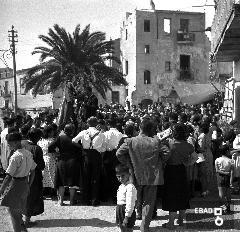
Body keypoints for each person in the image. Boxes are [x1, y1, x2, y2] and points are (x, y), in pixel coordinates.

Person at [116, 119, 170, 232]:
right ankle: (144, 227)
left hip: (135, 173)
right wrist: (160, 161)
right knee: (149, 202)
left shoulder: (130, 141)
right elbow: (167, 153)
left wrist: (129, 164)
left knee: (133, 200)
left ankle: (130, 224)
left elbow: (119, 153)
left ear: (140, 128)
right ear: (151, 130)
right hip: (152, 175)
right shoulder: (156, 141)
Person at [0, 132, 36, 232]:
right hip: (25, 184)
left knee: (13, 213)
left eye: (9, 143)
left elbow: (8, 176)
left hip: (16, 184)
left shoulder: (16, 156)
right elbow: (33, 171)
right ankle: (23, 230)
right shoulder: (28, 153)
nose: (8, 145)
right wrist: (29, 184)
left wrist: (1, 189)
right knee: (18, 211)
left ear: (16, 142)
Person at [161, 123, 195, 229]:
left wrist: (166, 135)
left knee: (171, 196)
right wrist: (187, 162)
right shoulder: (189, 145)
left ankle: (171, 223)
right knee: (182, 194)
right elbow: (194, 158)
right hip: (181, 170)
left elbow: (157, 142)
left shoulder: (169, 142)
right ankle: (180, 220)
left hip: (170, 171)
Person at [72, 116, 106, 206]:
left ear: (88, 123)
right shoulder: (101, 134)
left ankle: (86, 199)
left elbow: (74, 141)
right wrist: (99, 150)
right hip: (96, 156)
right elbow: (104, 148)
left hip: (86, 155)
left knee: (86, 177)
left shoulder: (84, 132)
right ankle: (95, 200)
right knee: (95, 178)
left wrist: (82, 148)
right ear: (96, 124)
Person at [49, 123, 82, 206]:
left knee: (61, 182)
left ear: (64, 130)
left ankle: (61, 201)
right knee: (72, 182)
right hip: (73, 161)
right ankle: (71, 201)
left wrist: (56, 153)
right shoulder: (75, 139)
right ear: (73, 130)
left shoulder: (60, 138)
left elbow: (50, 147)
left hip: (62, 161)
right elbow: (80, 150)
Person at [21, 128, 45, 227]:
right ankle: (27, 221)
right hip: (33, 176)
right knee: (31, 196)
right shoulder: (36, 148)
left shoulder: (22, 144)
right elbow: (41, 165)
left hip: (20, 175)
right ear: (38, 137)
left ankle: (20, 219)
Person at [103, 118, 123, 202]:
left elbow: (103, 145)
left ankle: (107, 195)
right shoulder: (120, 134)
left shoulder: (105, 134)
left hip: (108, 154)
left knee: (107, 175)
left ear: (108, 124)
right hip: (117, 155)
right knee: (117, 175)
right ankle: (116, 195)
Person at [116, 164, 137, 232]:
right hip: (120, 210)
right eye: (118, 176)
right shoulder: (121, 186)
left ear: (128, 174)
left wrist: (127, 217)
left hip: (126, 212)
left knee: (128, 229)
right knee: (122, 228)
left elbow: (130, 203)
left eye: (123, 176)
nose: (121, 178)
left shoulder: (130, 187)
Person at [38, 125, 57, 198]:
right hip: (50, 158)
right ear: (49, 133)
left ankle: (43, 191)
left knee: (44, 175)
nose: (53, 132)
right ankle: (52, 191)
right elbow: (55, 151)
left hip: (43, 158)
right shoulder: (52, 141)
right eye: (52, 131)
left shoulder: (41, 141)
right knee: (52, 174)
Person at [215, 144, 234, 213]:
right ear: (226, 151)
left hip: (220, 178)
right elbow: (232, 172)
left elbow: (217, 170)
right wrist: (231, 182)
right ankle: (229, 208)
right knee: (228, 193)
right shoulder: (231, 161)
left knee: (221, 194)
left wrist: (224, 173)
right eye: (229, 150)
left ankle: (223, 208)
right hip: (228, 178)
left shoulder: (217, 160)